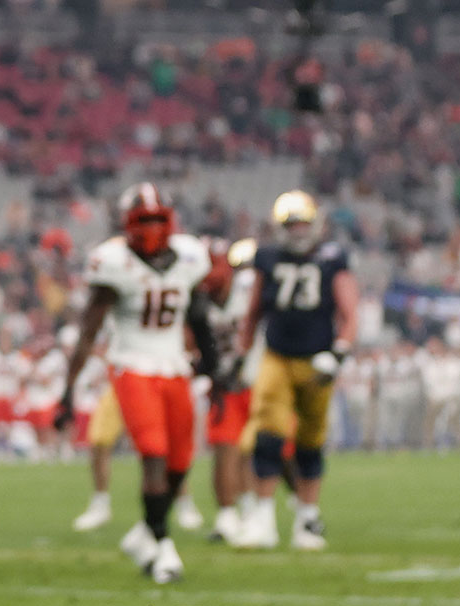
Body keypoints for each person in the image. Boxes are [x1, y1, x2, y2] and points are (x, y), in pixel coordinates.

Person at [55, 184, 224, 583]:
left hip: (175, 365)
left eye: (156, 220)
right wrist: (68, 391)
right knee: (153, 451)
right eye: (142, 220)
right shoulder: (112, 262)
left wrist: (214, 370)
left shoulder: (189, 256)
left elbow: (198, 318)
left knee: (181, 460)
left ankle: (145, 533)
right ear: (128, 224)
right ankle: (163, 546)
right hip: (131, 363)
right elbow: (88, 332)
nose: (150, 228)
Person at [234, 190, 358, 551]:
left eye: (303, 223)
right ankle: (262, 519)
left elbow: (349, 313)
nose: (299, 231)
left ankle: (307, 519)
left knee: (310, 442)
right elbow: (254, 311)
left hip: (318, 360)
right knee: (268, 436)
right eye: (292, 224)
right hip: (277, 355)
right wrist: (243, 355)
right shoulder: (268, 257)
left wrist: (339, 352)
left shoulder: (332, 258)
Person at [205, 238, 258, 543]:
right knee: (226, 449)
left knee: (259, 450)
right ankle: (230, 516)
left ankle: (256, 512)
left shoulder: (247, 289)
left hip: (255, 379)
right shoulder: (199, 298)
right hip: (225, 385)